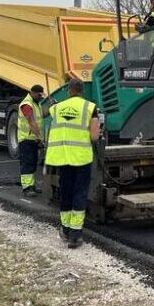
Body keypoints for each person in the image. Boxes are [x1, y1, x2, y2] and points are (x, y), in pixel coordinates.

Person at [45, 78, 100, 248]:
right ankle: (75, 236)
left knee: (66, 192)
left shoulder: (57, 108)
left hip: (62, 157)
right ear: (82, 91)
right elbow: (95, 136)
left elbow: (45, 112)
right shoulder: (90, 108)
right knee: (79, 193)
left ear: (69, 90)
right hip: (81, 158)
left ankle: (66, 230)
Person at [18, 84, 47, 197]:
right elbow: (31, 121)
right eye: (39, 95)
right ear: (33, 93)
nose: (41, 97)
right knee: (27, 163)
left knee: (33, 162)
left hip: (32, 139)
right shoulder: (27, 105)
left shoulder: (36, 104)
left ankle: (32, 185)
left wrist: (49, 109)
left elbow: (41, 116)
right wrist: (40, 137)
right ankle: (27, 187)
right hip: (26, 139)